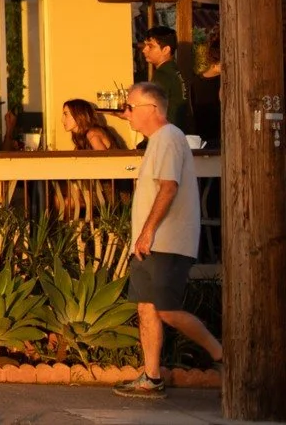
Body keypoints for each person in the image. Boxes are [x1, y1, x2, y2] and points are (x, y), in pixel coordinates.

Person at [113, 81, 221, 399]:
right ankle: (152, 376)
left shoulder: (169, 139)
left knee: (166, 310)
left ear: (153, 110)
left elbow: (169, 187)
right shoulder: (157, 140)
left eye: (130, 107)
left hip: (167, 241)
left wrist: (147, 232)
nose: (126, 113)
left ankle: (220, 354)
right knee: (147, 308)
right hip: (152, 243)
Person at [138, 26, 192, 131]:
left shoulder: (162, 74)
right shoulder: (176, 71)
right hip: (179, 132)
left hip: (166, 133)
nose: (144, 50)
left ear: (166, 49)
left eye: (150, 46)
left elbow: (152, 110)